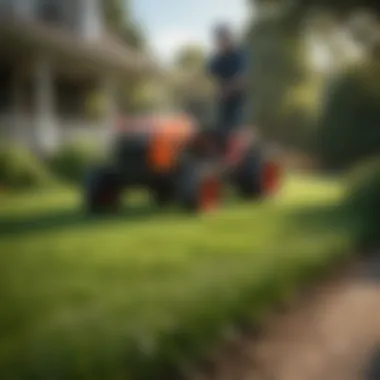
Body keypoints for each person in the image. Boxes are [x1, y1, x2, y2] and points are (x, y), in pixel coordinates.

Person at [207, 23, 248, 151]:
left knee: (235, 135)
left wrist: (225, 89)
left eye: (224, 38)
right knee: (219, 133)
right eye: (219, 39)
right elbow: (207, 77)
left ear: (229, 37)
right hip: (222, 105)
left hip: (238, 105)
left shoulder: (240, 55)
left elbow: (241, 81)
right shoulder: (218, 59)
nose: (222, 42)